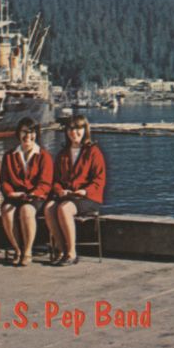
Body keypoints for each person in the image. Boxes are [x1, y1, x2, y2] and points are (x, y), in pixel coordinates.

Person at [45, 114, 107, 266]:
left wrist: (85, 191)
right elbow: (56, 181)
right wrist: (60, 190)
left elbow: (99, 179)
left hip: (88, 198)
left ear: (85, 130)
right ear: (66, 132)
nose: (75, 132)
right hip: (68, 196)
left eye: (78, 128)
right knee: (48, 208)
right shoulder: (62, 154)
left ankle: (72, 253)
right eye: (71, 129)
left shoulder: (93, 152)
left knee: (64, 209)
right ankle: (60, 249)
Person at [0, 117, 54, 266]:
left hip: (35, 197)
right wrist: (10, 193)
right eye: (24, 132)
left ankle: (28, 251)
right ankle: (17, 249)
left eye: (31, 133)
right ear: (18, 133)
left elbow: (45, 183)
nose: (27, 136)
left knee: (26, 211)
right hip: (15, 196)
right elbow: (4, 181)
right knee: (6, 211)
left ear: (36, 134)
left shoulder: (44, 156)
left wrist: (33, 194)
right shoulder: (9, 156)